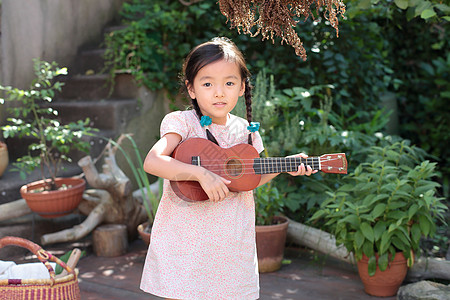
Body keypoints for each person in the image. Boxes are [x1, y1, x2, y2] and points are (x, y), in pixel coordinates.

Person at [140, 37, 315, 300]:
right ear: (191, 89)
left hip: (230, 245)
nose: (219, 92)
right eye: (207, 83)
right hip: (186, 243)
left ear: (242, 87)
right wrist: (200, 173)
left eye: (229, 83)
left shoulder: (247, 132)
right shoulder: (183, 123)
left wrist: (284, 166)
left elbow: (248, 179)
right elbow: (153, 161)